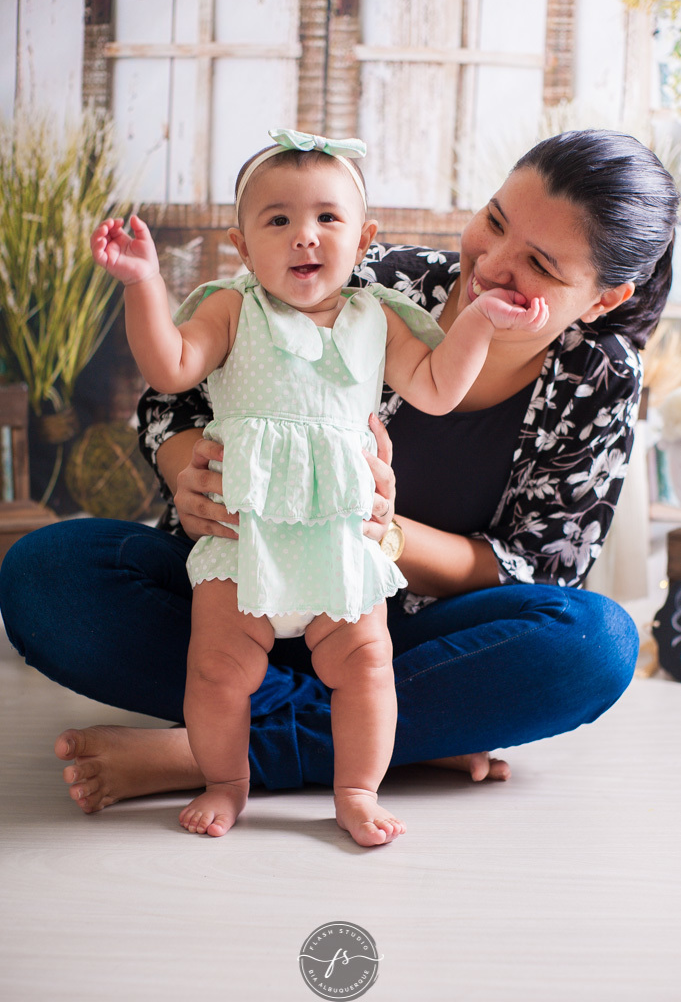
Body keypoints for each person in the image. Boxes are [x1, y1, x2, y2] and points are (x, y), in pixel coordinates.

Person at [1, 129, 677, 836]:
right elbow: (175, 391)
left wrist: (384, 533)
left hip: (383, 630)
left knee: (593, 643)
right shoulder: (357, 267)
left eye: (537, 262)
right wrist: (190, 477)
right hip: (235, 581)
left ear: (603, 299)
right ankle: (397, 741)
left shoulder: (597, 379)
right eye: (495, 220)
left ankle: (218, 751)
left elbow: (536, 571)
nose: (490, 266)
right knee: (45, 574)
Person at [89, 128, 547, 845]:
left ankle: (356, 789)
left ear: (363, 238)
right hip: (244, 537)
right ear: (241, 246)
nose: (304, 236)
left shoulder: (380, 316)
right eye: (277, 221)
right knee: (215, 670)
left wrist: (481, 322)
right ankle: (226, 781)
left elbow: (434, 388)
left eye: (326, 219)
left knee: (368, 666)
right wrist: (143, 282)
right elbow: (171, 368)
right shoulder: (231, 308)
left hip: (340, 538)